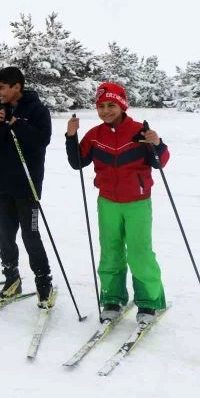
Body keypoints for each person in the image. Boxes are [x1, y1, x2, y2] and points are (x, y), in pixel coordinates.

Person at [65, 82, 168, 324]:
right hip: (108, 201)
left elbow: (159, 162)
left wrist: (157, 143)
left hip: (137, 202)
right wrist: (71, 136)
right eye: (101, 106)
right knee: (110, 251)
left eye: (111, 105)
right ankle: (112, 298)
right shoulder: (95, 135)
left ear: (122, 105)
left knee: (140, 252)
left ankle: (149, 302)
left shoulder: (139, 131)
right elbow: (78, 162)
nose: (106, 111)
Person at [0, 66, 54, 306]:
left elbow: (41, 141)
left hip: (26, 185)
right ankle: (11, 279)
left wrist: (15, 123)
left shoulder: (37, 110)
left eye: (2, 88)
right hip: (1, 182)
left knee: (30, 234)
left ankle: (44, 284)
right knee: (5, 235)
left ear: (16, 87)